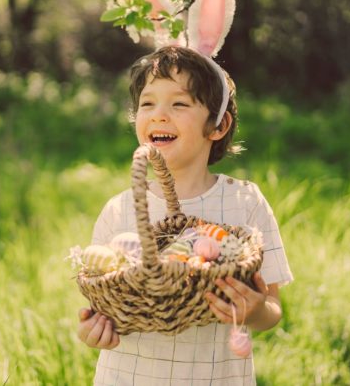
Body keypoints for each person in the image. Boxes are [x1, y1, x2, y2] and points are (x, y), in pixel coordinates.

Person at [76, 45, 294, 385]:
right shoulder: (120, 210)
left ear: (218, 126)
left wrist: (255, 312)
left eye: (179, 103)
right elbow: (104, 302)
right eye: (147, 103)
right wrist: (93, 332)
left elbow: (272, 310)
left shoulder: (244, 202)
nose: (159, 114)